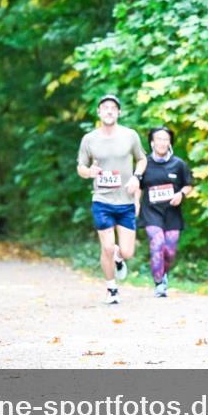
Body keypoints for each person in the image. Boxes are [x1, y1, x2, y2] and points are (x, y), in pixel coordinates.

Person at [77, 94, 147, 305]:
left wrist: (136, 177)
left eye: (113, 108)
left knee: (127, 251)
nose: (109, 111)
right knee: (106, 246)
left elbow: (142, 159)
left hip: (125, 201)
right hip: (102, 200)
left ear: (118, 113)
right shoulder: (89, 139)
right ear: (99, 112)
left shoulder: (130, 135)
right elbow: (80, 167)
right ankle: (111, 288)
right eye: (105, 107)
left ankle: (118, 256)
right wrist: (89, 173)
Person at [138, 126, 194, 298]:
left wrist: (181, 194)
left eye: (165, 139)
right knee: (157, 243)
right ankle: (159, 284)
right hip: (151, 212)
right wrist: (135, 205)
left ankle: (163, 273)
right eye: (158, 139)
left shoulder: (178, 164)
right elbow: (137, 187)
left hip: (172, 213)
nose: (162, 142)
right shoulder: (144, 163)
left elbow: (189, 185)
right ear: (152, 142)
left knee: (169, 252)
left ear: (169, 142)